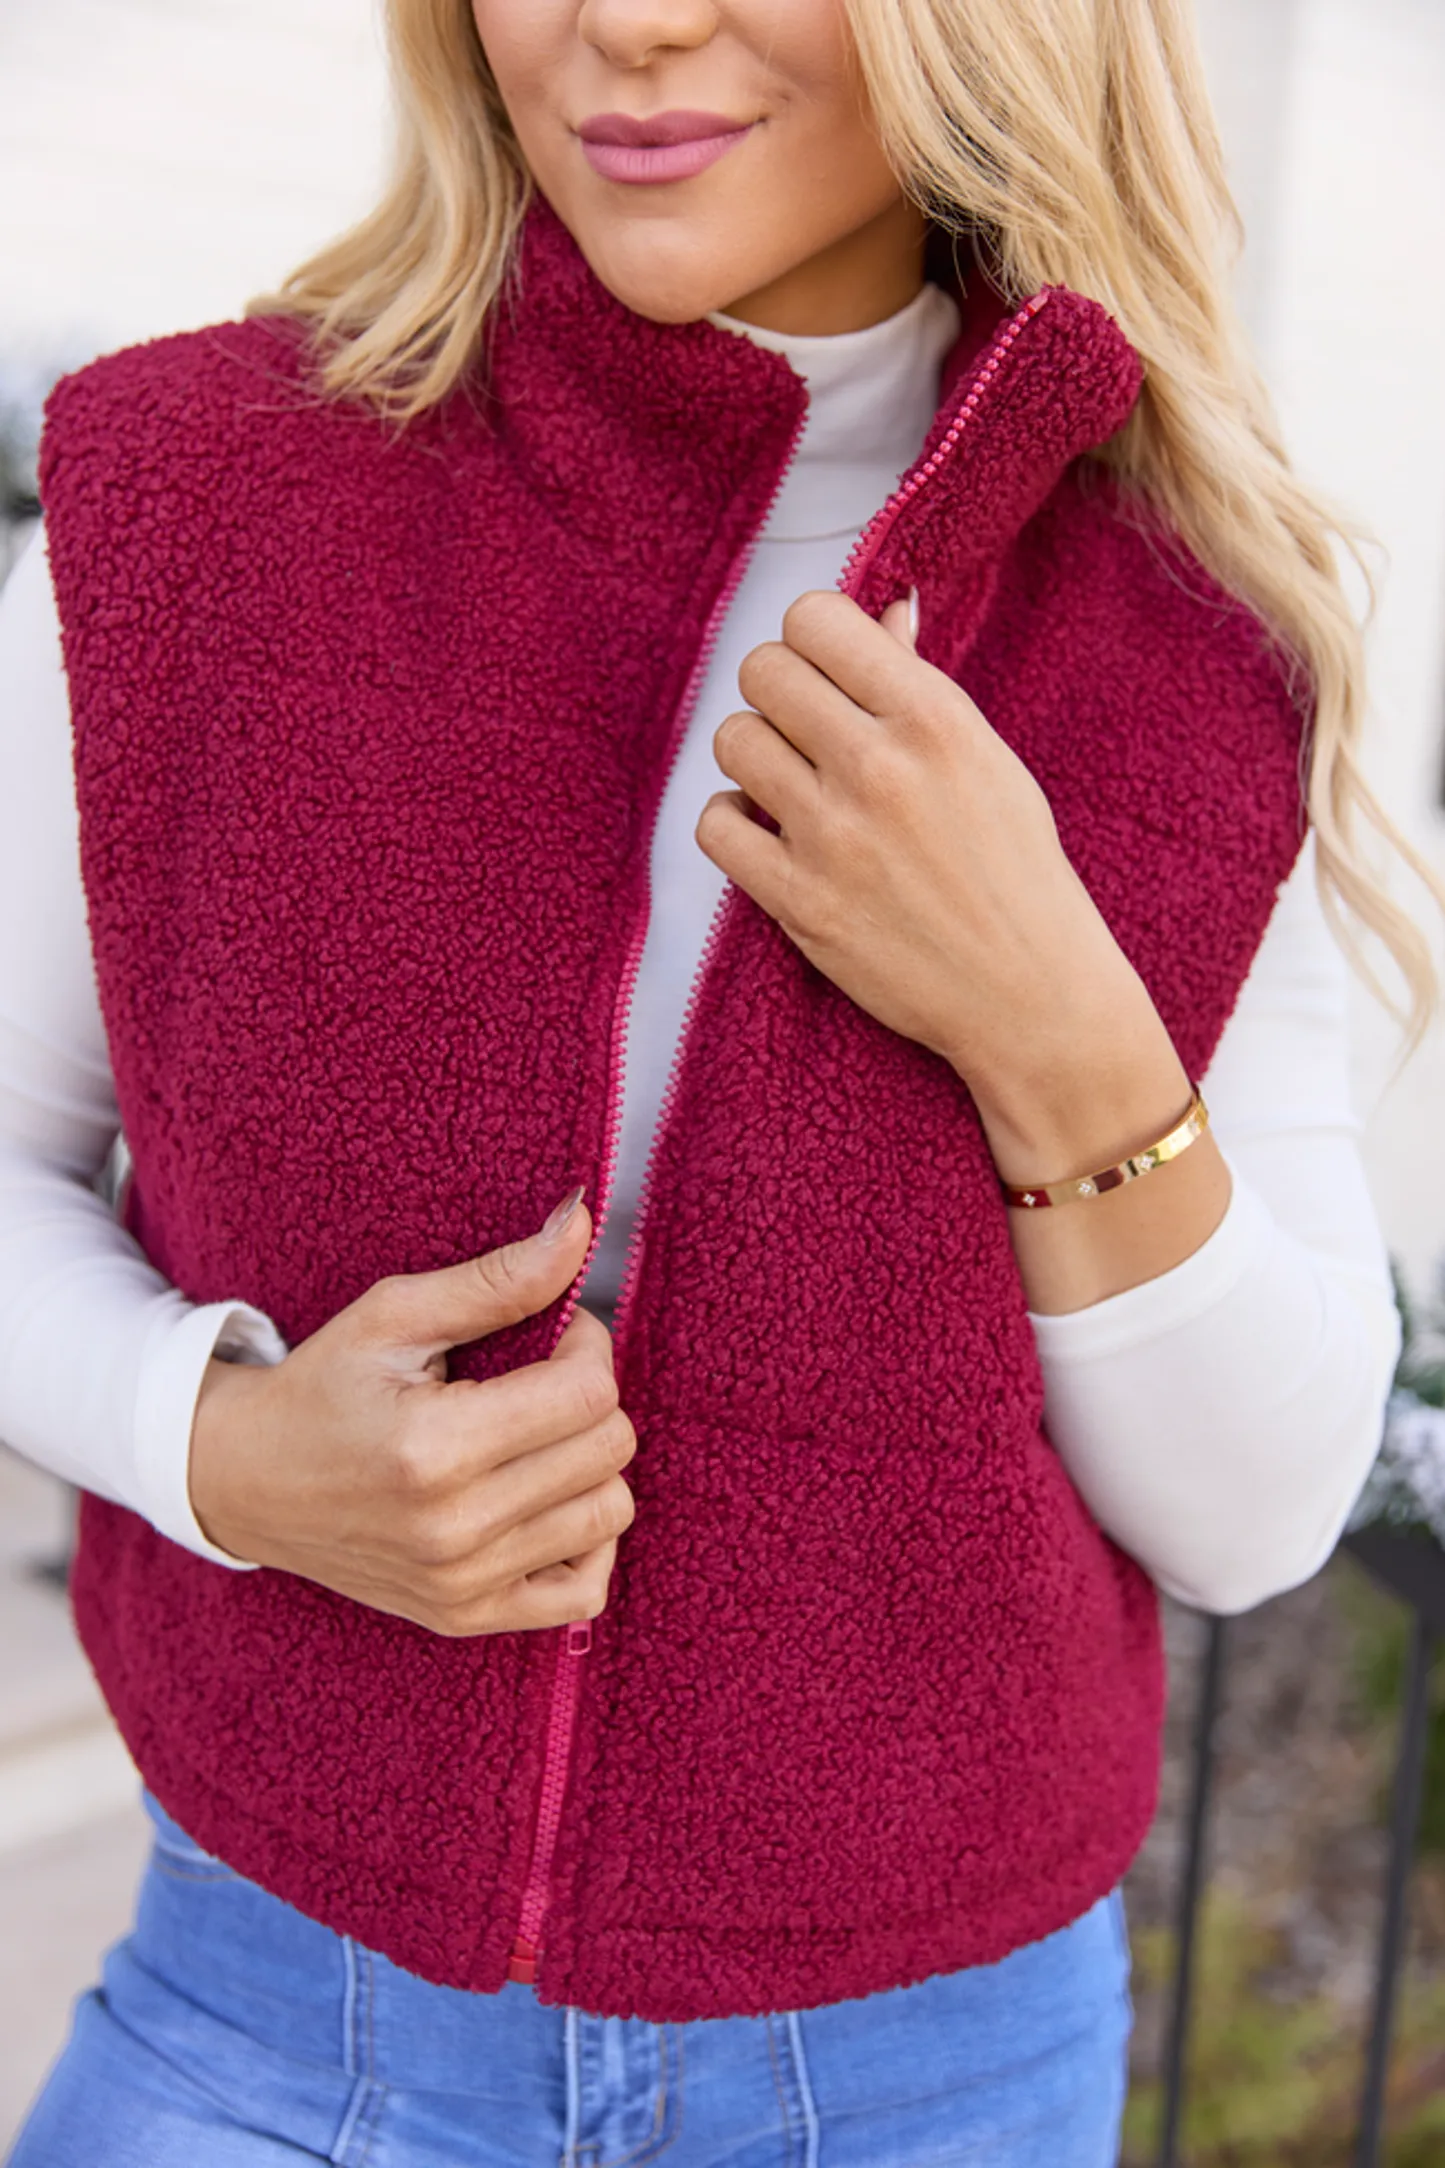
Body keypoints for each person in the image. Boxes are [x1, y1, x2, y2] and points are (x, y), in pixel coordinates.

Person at [0, 1, 1435, 2161]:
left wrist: (1049, 1018)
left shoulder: (1190, 645)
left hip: (936, 2080)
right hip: (276, 2033)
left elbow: (1253, 1513)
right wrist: (218, 1445)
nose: (627, 21)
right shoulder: (190, 495)